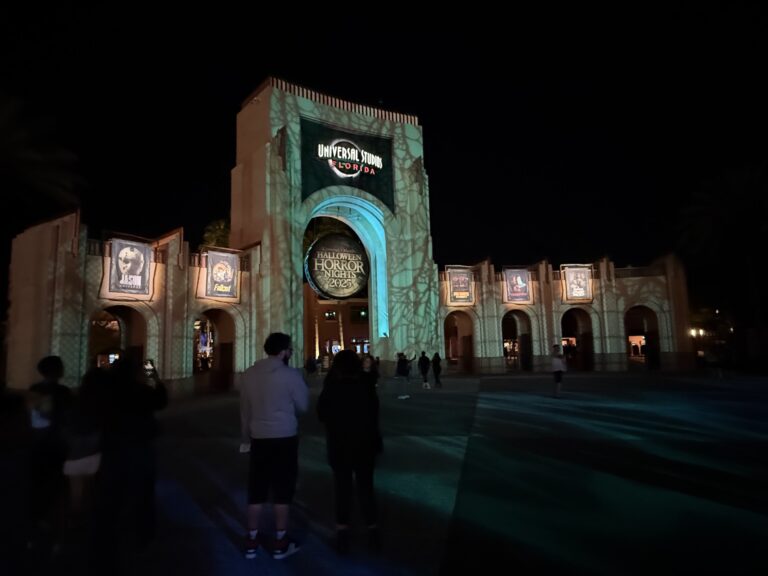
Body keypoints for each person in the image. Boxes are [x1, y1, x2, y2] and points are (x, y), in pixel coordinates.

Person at [240, 332, 308, 560]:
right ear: (283, 351)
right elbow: (303, 406)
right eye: (290, 349)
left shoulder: (249, 374)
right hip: (285, 437)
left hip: (259, 437)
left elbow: (245, 411)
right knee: (282, 490)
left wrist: (245, 439)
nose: (291, 352)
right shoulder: (291, 375)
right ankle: (280, 541)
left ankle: (251, 540)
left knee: (256, 489)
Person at [317, 350, 382, 555]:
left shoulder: (332, 387)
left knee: (342, 489)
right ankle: (372, 531)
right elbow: (374, 412)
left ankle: (342, 532)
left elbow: (321, 414)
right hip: (365, 445)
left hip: (340, 446)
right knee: (366, 488)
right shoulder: (366, 385)